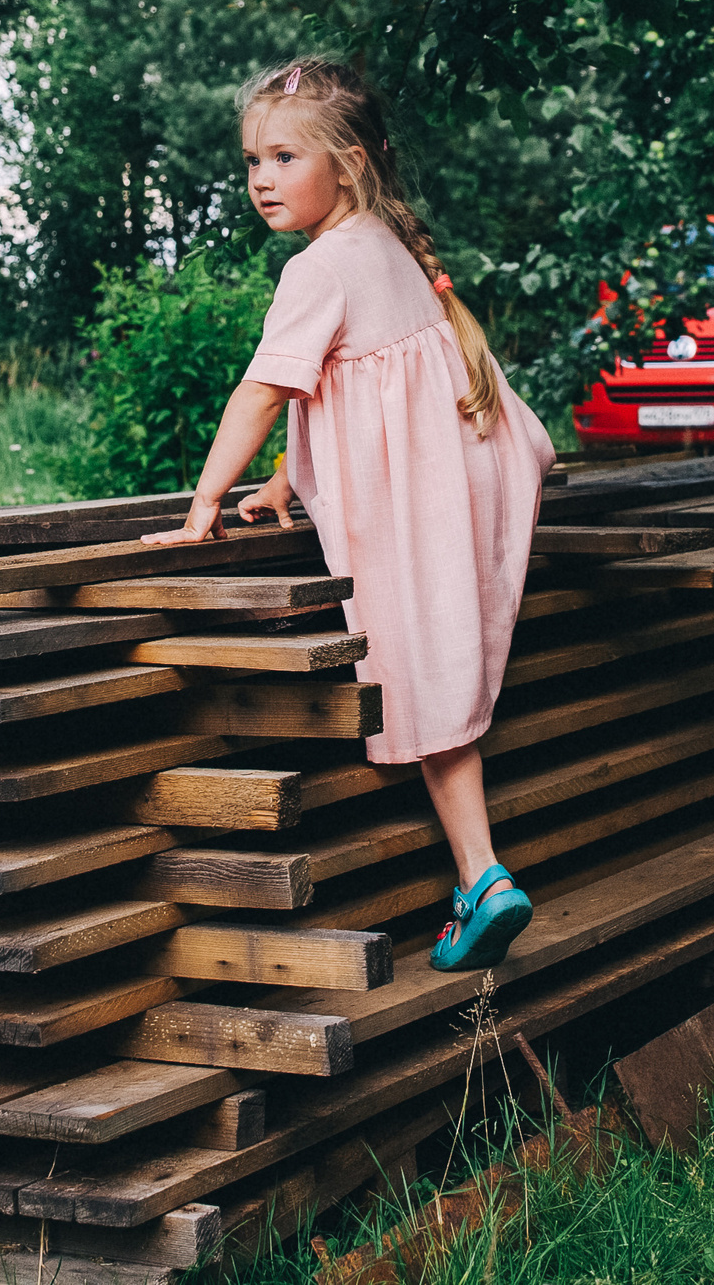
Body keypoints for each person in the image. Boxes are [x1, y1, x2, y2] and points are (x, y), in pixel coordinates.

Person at [142, 57, 556, 971]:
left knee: (416, 677)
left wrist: (207, 499)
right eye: (253, 158)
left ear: (351, 163)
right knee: (438, 676)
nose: (261, 178)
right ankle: (480, 873)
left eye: (286, 157)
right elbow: (352, 388)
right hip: (457, 478)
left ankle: (482, 876)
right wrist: (291, 479)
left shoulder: (320, 266)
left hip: (417, 508)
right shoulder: (385, 246)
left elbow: (265, 388)